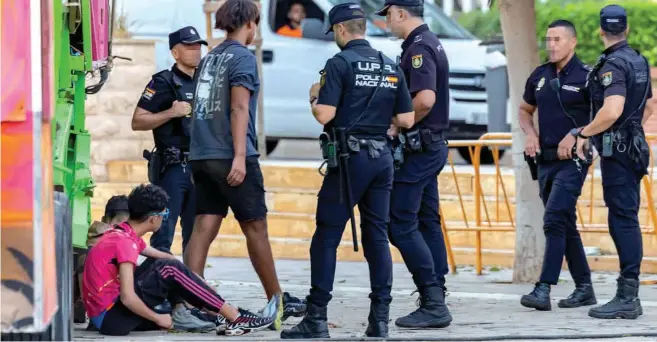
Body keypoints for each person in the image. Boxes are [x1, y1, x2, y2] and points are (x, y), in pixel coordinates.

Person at [280, 3, 415, 339]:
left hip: (349, 159)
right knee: (377, 237)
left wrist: (314, 98)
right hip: (382, 158)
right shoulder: (389, 64)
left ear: (341, 30)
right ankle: (379, 321)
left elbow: (324, 115)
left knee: (325, 238)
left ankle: (316, 319)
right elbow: (407, 120)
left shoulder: (338, 64)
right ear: (363, 28)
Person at [185, 0, 305, 330]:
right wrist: (240, 156)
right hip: (231, 154)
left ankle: (191, 303)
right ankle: (276, 300)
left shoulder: (209, 59)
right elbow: (239, 109)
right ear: (250, 23)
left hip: (202, 154)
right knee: (255, 227)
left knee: (204, 224)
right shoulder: (242, 58)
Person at [82, 184, 274, 336]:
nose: (164, 219)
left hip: (107, 316)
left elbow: (166, 257)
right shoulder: (125, 243)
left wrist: (199, 283)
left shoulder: (124, 233)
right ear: (153, 219)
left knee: (166, 261)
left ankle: (220, 313)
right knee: (167, 269)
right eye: (164, 215)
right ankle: (234, 316)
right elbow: (128, 297)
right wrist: (158, 318)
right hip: (111, 319)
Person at [573, 4, 654, 320]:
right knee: (626, 215)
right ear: (627, 29)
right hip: (633, 146)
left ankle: (627, 296)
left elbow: (611, 110)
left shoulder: (613, 65)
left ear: (600, 30)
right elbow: (647, 107)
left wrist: (584, 132)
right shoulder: (638, 59)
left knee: (622, 219)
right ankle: (627, 293)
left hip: (618, 150)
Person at [375, 0, 452, 328]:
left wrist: (397, 122)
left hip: (420, 150)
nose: (387, 22)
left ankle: (433, 299)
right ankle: (436, 293)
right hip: (429, 148)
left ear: (400, 13)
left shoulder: (418, 48)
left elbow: (425, 99)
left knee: (400, 222)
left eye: (388, 16)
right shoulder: (427, 42)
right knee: (425, 220)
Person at [517, 20, 597, 311]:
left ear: (572, 42)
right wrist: (530, 133)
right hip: (545, 161)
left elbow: (602, 117)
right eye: (548, 39)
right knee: (564, 222)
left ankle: (543, 288)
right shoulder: (539, 75)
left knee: (553, 220)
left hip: (574, 161)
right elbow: (525, 110)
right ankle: (585, 288)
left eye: (557, 39)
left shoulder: (589, 76)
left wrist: (578, 134)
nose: (551, 45)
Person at [132, 26, 207, 255]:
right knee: (163, 234)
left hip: (200, 167)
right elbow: (137, 121)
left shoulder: (206, 82)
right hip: (173, 167)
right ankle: (159, 284)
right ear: (175, 53)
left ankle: (191, 285)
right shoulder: (163, 82)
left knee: (196, 235)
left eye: (198, 46)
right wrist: (170, 113)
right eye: (189, 46)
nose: (196, 51)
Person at [74, 195, 131, 324]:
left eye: (124, 228)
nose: (120, 231)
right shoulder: (101, 246)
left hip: (95, 311)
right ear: (105, 220)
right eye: (118, 226)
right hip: (104, 311)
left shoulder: (90, 242)